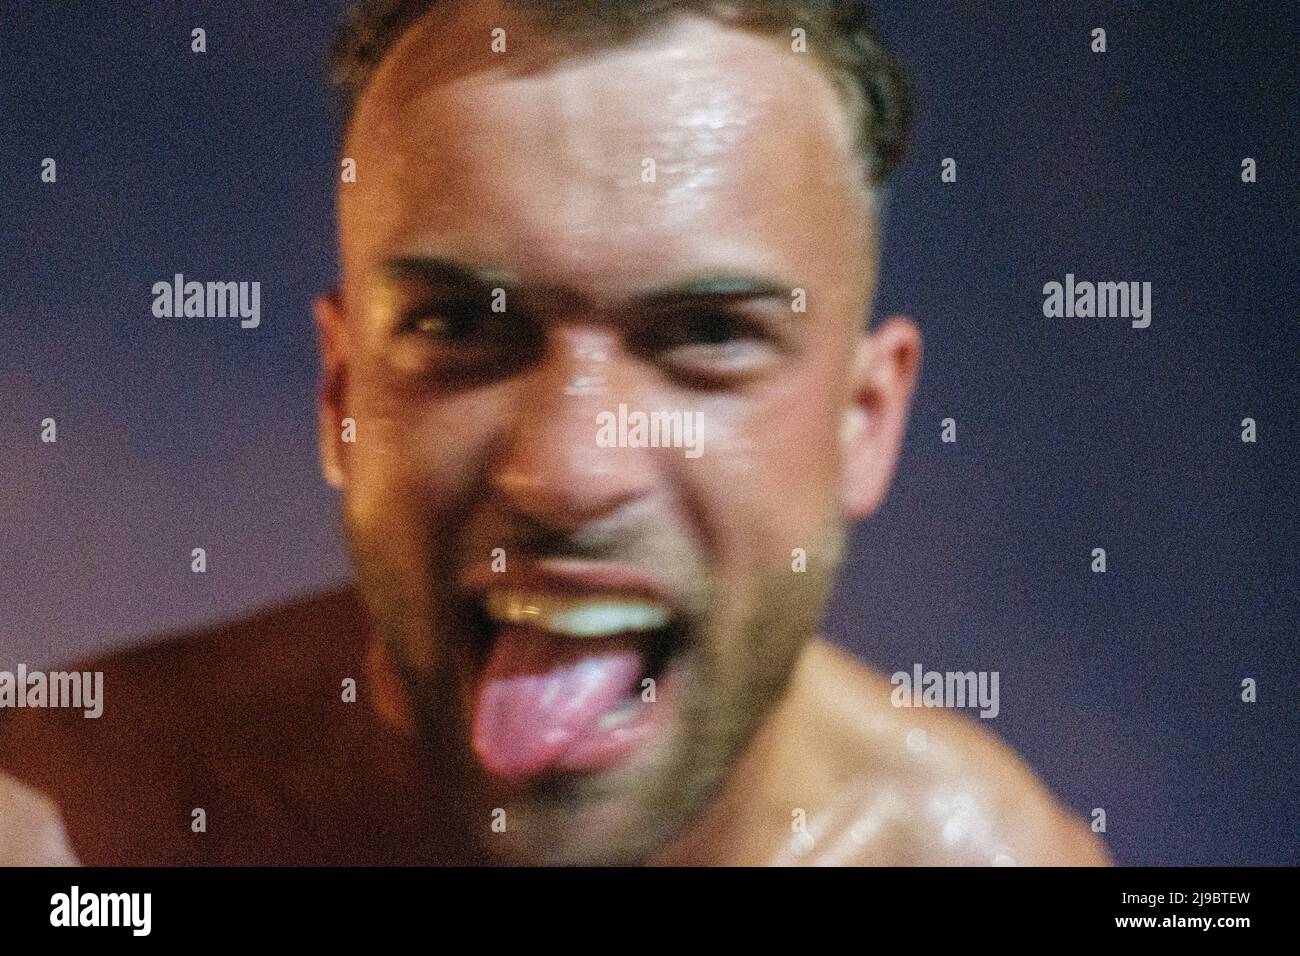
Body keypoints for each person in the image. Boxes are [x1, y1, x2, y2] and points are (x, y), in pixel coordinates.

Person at [0, 0, 1109, 866]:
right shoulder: (70, 828)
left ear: (865, 421)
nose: (568, 470)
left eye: (706, 334)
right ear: (341, 396)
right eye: (462, 326)